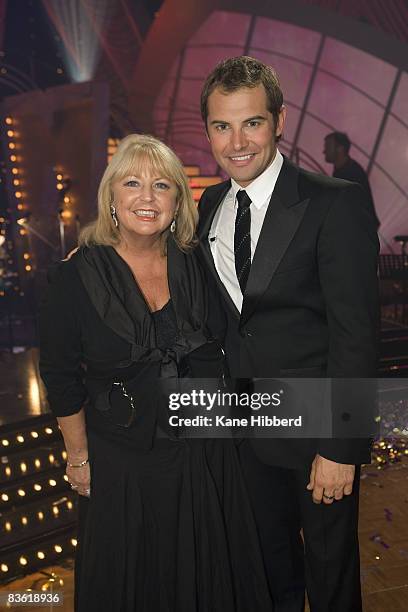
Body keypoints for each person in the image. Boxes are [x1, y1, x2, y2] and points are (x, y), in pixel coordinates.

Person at [39, 134, 273, 611]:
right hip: (124, 464)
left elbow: (244, 339)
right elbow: (60, 377)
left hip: (206, 458)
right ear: (111, 198)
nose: (147, 197)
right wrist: (78, 458)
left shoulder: (200, 264)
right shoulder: (73, 277)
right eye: (132, 182)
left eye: (162, 185)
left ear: (178, 201)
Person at [197, 57, 379, 612]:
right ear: (207, 130)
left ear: (279, 120)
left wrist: (340, 448)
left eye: (250, 122)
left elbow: (355, 334)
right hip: (245, 433)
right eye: (221, 126)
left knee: (331, 581)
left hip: (316, 435)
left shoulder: (333, 201)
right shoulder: (208, 204)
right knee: (267, 575)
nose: (236, 142)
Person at [323, 131, 380, 227]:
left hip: (360, 228)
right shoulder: (341, 170)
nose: (324, 151)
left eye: (328, 146)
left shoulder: (352, 173)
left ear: (340, 149)